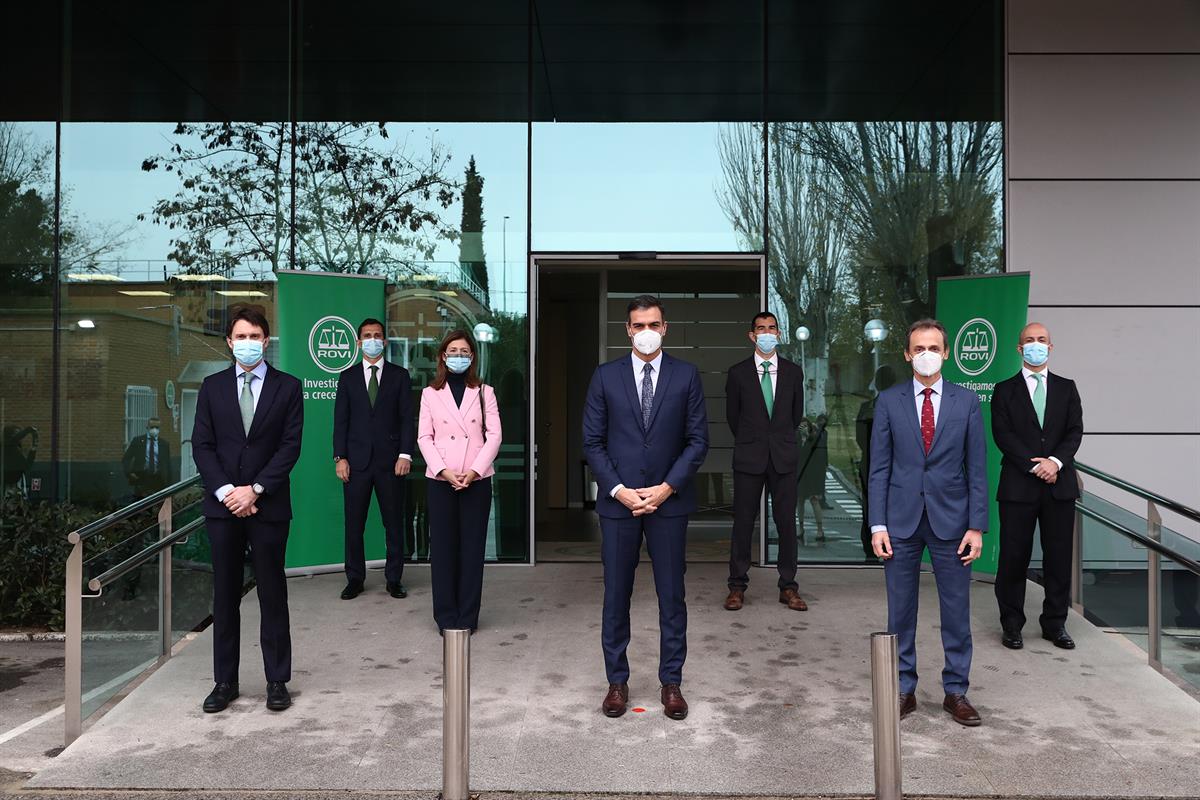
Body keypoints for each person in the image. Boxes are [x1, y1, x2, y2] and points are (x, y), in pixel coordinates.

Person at [583, 295, 709, 721]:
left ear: (665, 327)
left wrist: (667, 488)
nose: (646, 331)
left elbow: (697, 441)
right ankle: (616, 682)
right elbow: (592, 443)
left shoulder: (686, 375)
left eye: (653, 323)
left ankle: (671, 681)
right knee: (616, 594)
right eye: (638, 325)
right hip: (618, 505)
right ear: (628, 330)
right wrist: (618, 489)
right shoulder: (605, 377)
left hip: (668, 505)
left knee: (672, 596)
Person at [869, 318, 987, 727]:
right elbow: (878, 468)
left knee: (956, 612)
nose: (926, 355)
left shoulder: (966, 401)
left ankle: (957, 691)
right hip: (899, 523)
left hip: (952, 524)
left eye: (933, 348)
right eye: (918, 349)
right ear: (906, 354)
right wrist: (876, 525)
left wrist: (977, 526)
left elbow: (977, 468)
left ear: (947, 352)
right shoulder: (888, 401)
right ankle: (903, 688)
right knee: (900, 612)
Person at [191, 308, 303, 714]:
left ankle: (277, 680)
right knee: (225, 597)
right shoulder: (211, 387)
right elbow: (202, 445)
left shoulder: (288, 387)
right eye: (241, 335)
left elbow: (290, 446)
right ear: (229, 341)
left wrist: (254, 490)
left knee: (273, 593)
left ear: (267, 340)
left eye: (255, 335)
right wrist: (227, 492)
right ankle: (225, 681)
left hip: (268, 506)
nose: (248, 342)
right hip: (224, 510)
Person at [991, 322, 1084, 650]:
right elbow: (1003, 435)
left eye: (1041, 340)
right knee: (1013, 558)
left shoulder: (1067, 387)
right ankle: (1012, 624)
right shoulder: (1004, 390)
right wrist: (1036, 465)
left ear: (1051, 347)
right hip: (1018, 487)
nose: (1035, 345)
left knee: (1058, 559)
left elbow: (1075, 431)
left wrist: (1054, 463)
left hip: (1059, 486)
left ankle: (1055, 624)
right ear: (1019, 349)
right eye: (1029, 340)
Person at [417, 329, 501, 635]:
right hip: (441, 480)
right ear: (442, 355)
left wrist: (475, 471)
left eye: (465, 352)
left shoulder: (484, 392)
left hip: (476, 480)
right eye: (453, 351)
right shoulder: (429, 394)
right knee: (442, 549)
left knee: (471, 549)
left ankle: (468, 616)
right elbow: (424, 437)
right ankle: (445, 616)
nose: (459, 357)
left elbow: (494, 436)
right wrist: (443, 471)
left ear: (473, 357)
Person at [723, 311, 806, 612]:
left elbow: (795, 416)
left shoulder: (793, 372)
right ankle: (736, 586)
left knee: (786, 523)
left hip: (783, 457)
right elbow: (734, 417)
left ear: (779, 334)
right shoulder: (738, 373)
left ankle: (788, 587)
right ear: (752, 335)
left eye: (772, 328)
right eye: (761, 328)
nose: (767, 333)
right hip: (749, 456)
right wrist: (754, 440)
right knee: (743, 523)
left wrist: (777, 440)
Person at [333, 318, 415, 601]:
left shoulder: (400, 376)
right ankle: (354, 578)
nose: (372, 339)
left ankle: (394, 579)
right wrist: (340, 458)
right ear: (358, 343)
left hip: (391, 463)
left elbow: (407, 419)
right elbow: (340, 422)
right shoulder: (347, 377)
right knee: (354, 524)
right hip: (355, 464)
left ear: (385, 342)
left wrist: (405, 454)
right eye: (367, 335)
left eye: (377, 335)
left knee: (393, 523)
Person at [856, 365, 897, 559]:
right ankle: (869, 549)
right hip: (869, 462)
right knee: (869, 506)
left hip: (895, 465)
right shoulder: (867, 408)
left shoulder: (900, 407)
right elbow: (860, 437)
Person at [796, 416, 828, 545]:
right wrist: (801, 438)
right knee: (800, 500)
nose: (803, 428)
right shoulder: (796, 437)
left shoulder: (816, 437)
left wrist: (808, 437)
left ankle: (820, 529)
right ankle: (801, 527)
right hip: (801, 472)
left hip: (813, 473)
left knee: (814, 500)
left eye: (805, 426)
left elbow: (818, 453)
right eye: (801, 426)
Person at [122, 417, 172, 498]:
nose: (154, 429)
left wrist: (169, 484)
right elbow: (126, 458)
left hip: (158, 479)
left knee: (157, 504)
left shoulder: (164, 444)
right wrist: (129, 473)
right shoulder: (138, 441)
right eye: (152, 427)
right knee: (141, 504)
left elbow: (168, 464)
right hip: (142, 478)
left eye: (157, 427)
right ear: (147, 427)